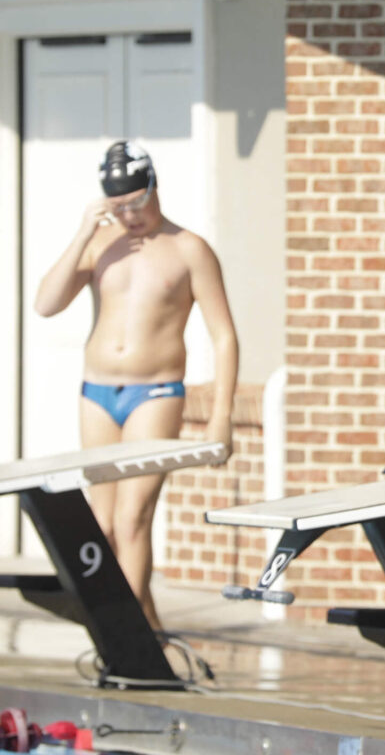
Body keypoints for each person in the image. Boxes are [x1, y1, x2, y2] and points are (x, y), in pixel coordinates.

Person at [33, 141, 238, 633]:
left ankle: (128, 636)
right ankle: (143, 634)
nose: (130, 215)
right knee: (99, 528)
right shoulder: (102, 245)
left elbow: (224, 334)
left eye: (137, 202)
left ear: (154, 187)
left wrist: (221, 419)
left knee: (132, 520)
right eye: (118, 206)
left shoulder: (189, 248)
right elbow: (45, 303)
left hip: (156, 394)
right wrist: (85, 230)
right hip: (97, 394)